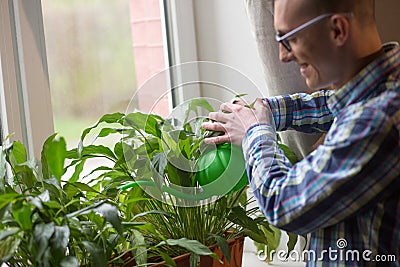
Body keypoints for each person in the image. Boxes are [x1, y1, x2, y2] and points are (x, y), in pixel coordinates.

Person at [202, 0, 400, 265]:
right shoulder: (385, 89)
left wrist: (254, 133)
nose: (283, 55)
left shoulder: (377, 122)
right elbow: (333, 104)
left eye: (290, 39)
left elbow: (283, 203)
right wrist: (265, 111)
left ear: (337, 30)